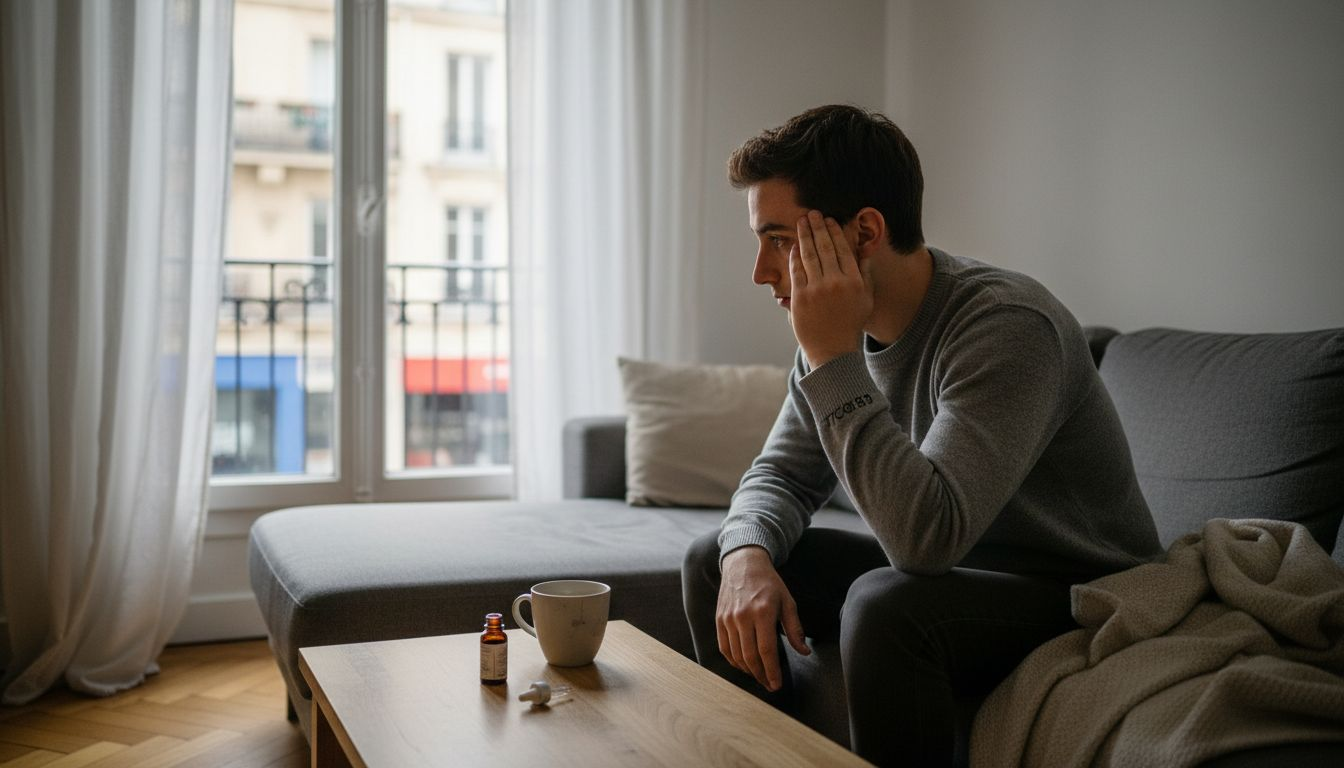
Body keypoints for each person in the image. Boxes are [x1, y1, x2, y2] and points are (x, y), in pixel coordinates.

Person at [681, 104, 1162, 767]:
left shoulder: (1008, 327)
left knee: (888, 606)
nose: (761, 272)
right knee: (717, 559)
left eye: (781, 240)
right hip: (957, 580)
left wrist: (833, 362)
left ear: (865, 232)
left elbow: (924, 542)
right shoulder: (835, 339)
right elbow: (782, 476)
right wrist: (744, 557)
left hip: (1077, 593)